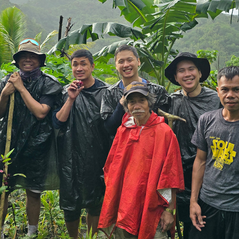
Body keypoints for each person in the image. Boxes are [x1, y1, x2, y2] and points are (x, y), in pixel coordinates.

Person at [0, 39, 62, 238]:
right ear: (17, 60)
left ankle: (32, 232)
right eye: (23, 56)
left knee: (33, 190)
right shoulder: (8, 80)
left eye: (32, 56)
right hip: (7, 142)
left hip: (37, 144)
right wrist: (5, 93)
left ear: (39, 60)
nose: (28, 60)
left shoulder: (49, 83)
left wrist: (21, 89)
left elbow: (41, 113)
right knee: (1, 188)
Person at [98, 81, 184, 239]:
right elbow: (112, 170)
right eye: (131, 102)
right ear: (127, 106)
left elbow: (171, 177)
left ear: (149, 103)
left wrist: (170, 210)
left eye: (141, 100)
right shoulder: (123, 131)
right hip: (125, 205)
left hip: (153, 206)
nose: (136, 105)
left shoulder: (164, 133)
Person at [189, 66, 239, 239]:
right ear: (218, 91)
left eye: (237, 89)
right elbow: (200, 161)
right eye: (225, 89)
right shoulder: (207, 120)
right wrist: (193, 201)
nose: (230, 95)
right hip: (207, 206)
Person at [53, 49, 111, 239]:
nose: (79, 68)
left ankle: (92, 236)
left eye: (83, 63)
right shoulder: (65, 92)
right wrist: (71, 98)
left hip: (97, 155)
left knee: (95, 200)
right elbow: (58, 122)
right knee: (70, 202)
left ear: (92, 66)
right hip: (69, 154)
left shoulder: (105, 92)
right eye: (75, 64)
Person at [164, 51, 221, 238]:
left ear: (199, 72)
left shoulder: (215, 100)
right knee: (181, 221)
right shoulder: (171, 102)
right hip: (178, 173)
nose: (187, 74)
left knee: (202, 225)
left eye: (191, 69)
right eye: (181, 71)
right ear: (175, 77)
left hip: (208, 170)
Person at [101, 44, 170, 137]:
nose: (126, 65)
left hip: (152, 147)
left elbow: (164, 124)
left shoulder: (157, 90)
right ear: (116, 66)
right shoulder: (110, 93)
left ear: (138, 61)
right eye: (121, 61)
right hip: (123, 148)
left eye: (130, 60)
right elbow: (109, 129)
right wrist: (121, 105)